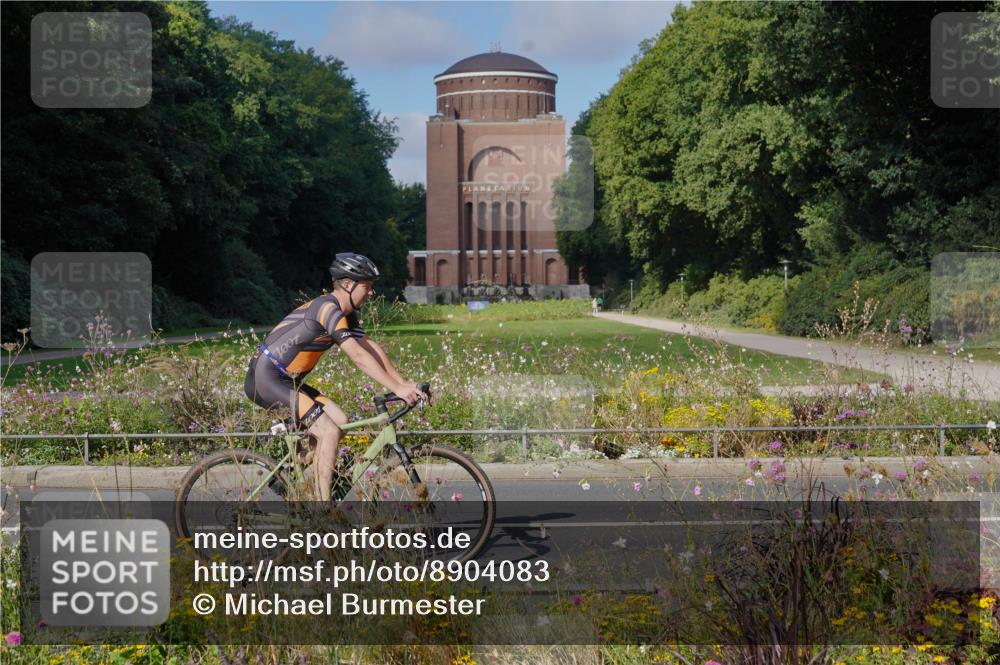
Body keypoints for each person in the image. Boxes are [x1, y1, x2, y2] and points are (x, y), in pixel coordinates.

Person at [244, 252, 429, 502]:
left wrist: (402, 383)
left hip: (287, 381)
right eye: (367, 286)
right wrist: (396, 389)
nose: (371, 292)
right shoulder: (328, 309)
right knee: (328, 432)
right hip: (266, 379)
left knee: (339, 421)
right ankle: (323, 511)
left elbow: (369, 347)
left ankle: (291, 477)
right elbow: (358, 356)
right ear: (348, 285)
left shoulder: (346, 313)